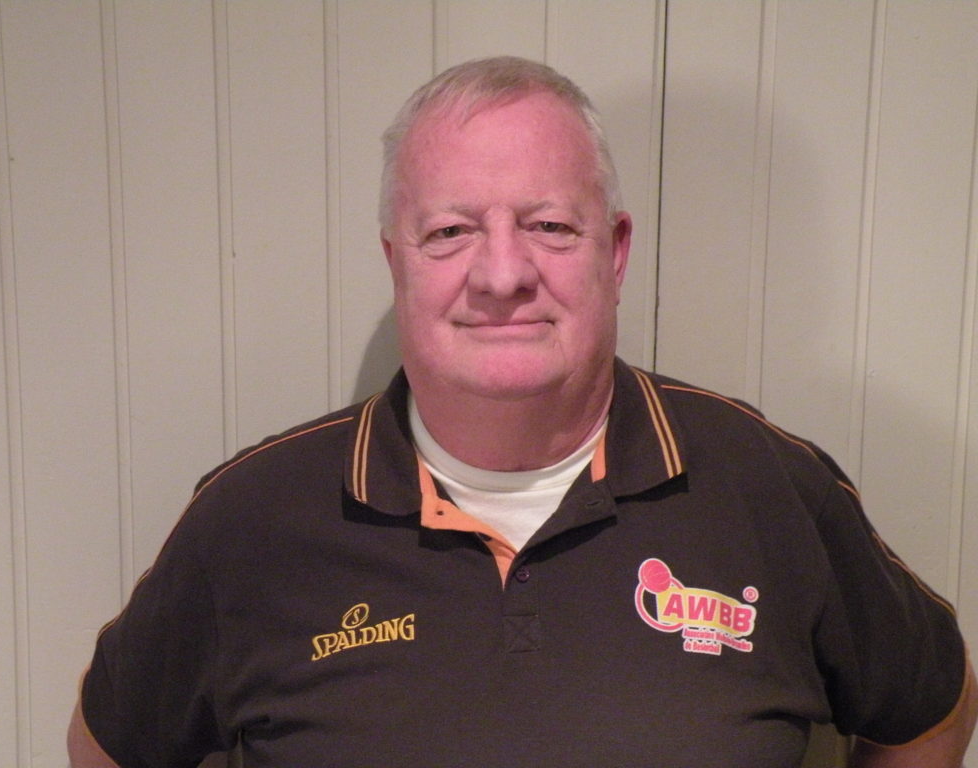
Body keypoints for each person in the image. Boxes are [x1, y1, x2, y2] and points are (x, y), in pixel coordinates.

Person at [68, 56, 976, 767]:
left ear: (614, 252)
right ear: (396, 261)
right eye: (450, 231)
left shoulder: (769, 487)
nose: (502, 275)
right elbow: (107, 745)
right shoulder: (251, 519)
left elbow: (932, 705)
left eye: (549, 225)